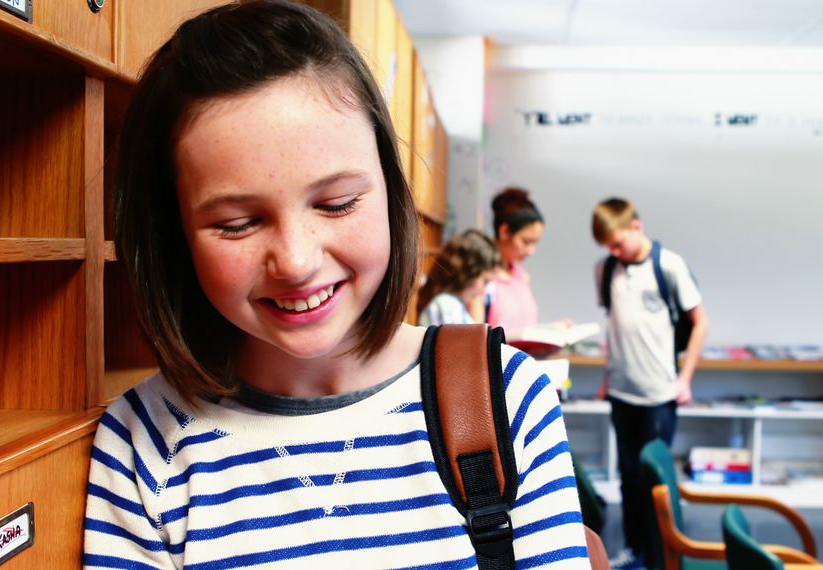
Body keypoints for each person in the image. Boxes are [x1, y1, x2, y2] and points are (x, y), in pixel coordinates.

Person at [82, 2, 589, 568]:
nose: (296, 262)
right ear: (174, 234)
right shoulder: (143, 445)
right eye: (237, 224)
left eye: (337, 203)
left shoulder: (505, 399)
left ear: (391, 191)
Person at [591, 198, 709, 570]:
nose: (613, 251)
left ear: (636, 228)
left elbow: (701, 323)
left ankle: (662, 557)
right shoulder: (606, 268)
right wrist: (607, 378)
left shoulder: (669, 266)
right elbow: (616, 326)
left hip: (660, 394)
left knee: (654, 481)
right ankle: (634, 549)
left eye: (617, 243)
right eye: (607, 246)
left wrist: (684, 380)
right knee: (627, 479)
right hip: (622, 393)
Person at [485, 187, 545, 334]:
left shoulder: (522, 277)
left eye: (534, 243)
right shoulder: (483, 277)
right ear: (504, 232)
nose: (531, 251)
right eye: (526, 242)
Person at [417, 229, 503, 326]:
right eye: (485, 281)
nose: (483, 290)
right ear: (469, 272)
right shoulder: (447, 306)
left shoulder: (450, 305)